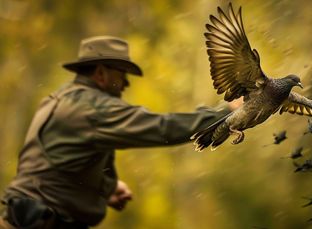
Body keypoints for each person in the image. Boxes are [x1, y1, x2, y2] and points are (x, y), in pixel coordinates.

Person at [0, 36, 238, 228]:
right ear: (101, 74)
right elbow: (162, 128)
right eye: (121, 74)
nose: (125, 84)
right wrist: (225, 112)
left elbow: (56, 165)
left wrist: (106, 188)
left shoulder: (56, 100)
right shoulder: (93, 108)